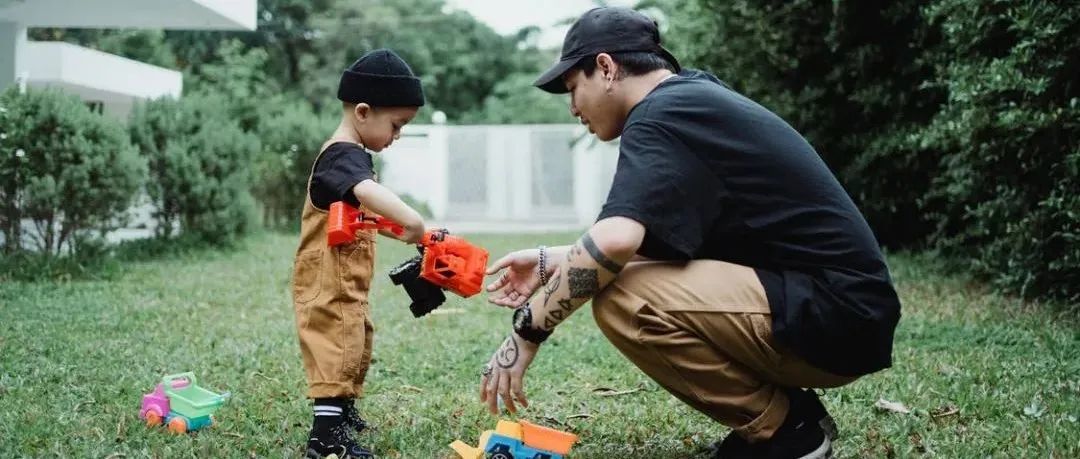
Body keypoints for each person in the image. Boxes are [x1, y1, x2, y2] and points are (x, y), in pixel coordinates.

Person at [478, 7, 902, 459]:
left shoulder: (660, 115)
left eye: (572, 88)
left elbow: (616, 240)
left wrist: (526, 332)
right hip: (842, 312)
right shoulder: (690, 102)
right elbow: (654, 243)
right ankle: (795, 412)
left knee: (625, 300)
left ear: (605, 68)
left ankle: (787, 432)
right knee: (630, 281)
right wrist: (548, 261)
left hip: (833, 314)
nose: (572, 107)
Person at [290, 48, 428, 459]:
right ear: (363, 112)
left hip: (344, 277)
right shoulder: (341, 155)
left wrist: (407, 232)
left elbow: (361, 215)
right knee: (335, 343)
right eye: (397, 125)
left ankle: (342, 411)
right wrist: (414, 219)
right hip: (326, 278)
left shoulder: (352, 159)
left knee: (355, 339)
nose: (397, 136)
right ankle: (325, 438)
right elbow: (369, 194)